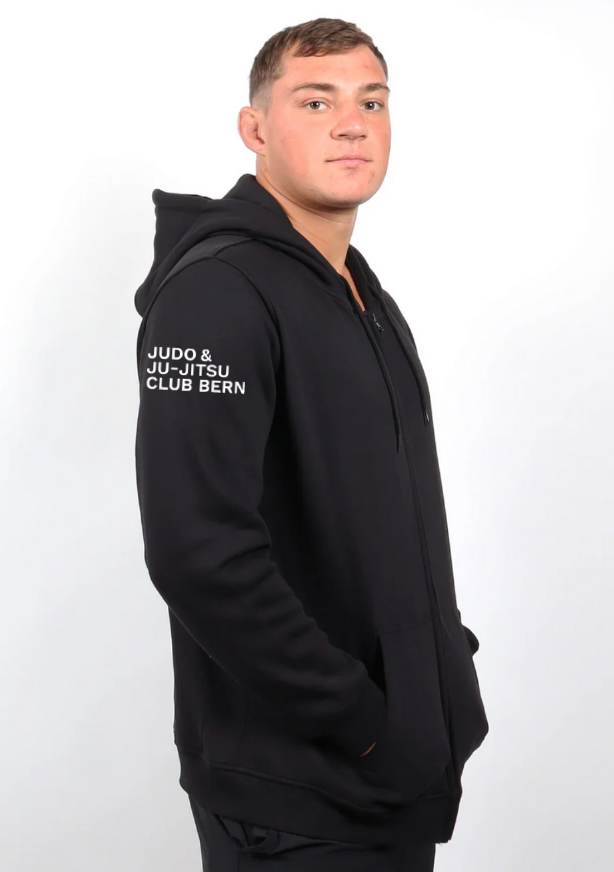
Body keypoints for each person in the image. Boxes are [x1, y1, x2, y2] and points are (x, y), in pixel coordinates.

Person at [133, 16, 489, 871]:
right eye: (317, 101)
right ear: (255, 129)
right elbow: (199, 556)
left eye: (372, 101)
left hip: (390, 776)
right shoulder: (218, 293)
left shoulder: (359, 293)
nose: (352, 124)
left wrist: (441, 673)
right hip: (296, 792)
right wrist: (362, 723)